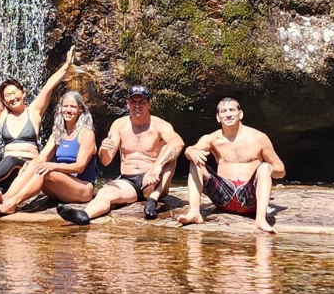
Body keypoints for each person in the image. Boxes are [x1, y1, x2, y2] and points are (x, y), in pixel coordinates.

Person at [0, 45, 76, 202]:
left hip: (26, 172)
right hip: (5, 175)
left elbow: (49, 87)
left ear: (23, 93)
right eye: (7, 95)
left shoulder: (34, 112)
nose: (12, 97)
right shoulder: (3, 115)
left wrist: (67, 66)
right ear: (4, 100)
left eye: (14, 92)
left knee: (11, 159)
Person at [57, 84, 183, 225]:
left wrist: (156, 167)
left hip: (154, 181)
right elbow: (105, 161)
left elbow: (178, 143)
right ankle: (84, 215)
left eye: (141, 102)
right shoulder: (120, 125)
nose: (137, 106)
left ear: (149, 104)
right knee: (104, 193)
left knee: (171, 153)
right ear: (127, 104)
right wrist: (103, 149)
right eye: (133, 102)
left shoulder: (159, 125)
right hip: (128, 182)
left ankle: (153, 200)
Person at [177, 97, 286, 233]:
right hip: (224, 195)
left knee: (264, 167)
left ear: (240, 114)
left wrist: (270, 170)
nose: (228, 114)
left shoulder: (259, 138)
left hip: (249, 196)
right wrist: (191, 152)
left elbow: (280, 169)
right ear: (218, 117)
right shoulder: (213, 138)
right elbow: (189, 149)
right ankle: (194, 212)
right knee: (195, 163)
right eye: (223, 111)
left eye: (232, 110)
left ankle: (260, 220)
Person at [0, 91, 97, 216]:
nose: (68, 110)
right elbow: (41, 158)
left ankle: (14, 202)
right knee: (32, 166)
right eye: (65, 106)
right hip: (61, 185)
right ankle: (6, 198)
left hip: (82, 188)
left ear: (80, 110)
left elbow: (80, 167)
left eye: (73, 107)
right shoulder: (58, 133)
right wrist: (28, 165)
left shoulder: (86, 134)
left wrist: (53, 166)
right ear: (60, 108)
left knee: (46, 171)